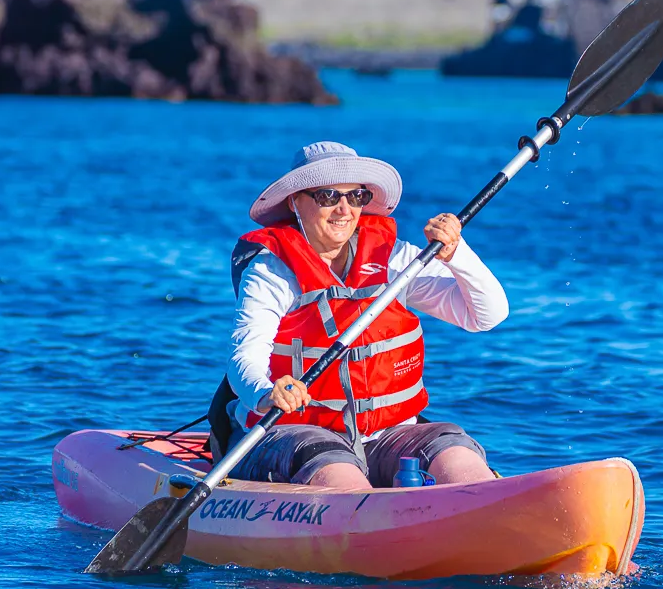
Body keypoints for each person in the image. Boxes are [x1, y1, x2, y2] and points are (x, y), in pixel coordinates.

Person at [216, 140, 506, 489]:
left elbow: (487, 315)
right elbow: (244, 357)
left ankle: (484, 514)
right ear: (296, 202)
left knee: (456, 450)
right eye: (327, 196)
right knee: (338, 470)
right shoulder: (271, 271)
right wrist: (266, 393)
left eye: (355, 197)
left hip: (390, 435)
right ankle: (365, 522)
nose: (344, 210)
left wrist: (457, 254)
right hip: (299, 434)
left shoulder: (393, 258)